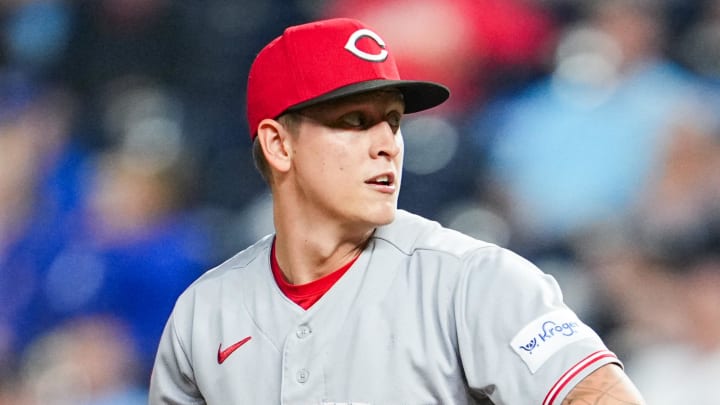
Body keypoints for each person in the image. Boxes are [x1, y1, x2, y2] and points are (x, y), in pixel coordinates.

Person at [149, 18, 645, 404]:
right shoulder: (204, 314)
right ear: (279, 146)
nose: (388, 144)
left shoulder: (474, 281)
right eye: (355, 121)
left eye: (392, 121)